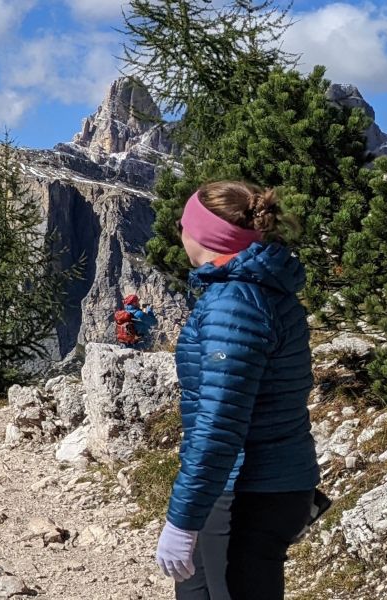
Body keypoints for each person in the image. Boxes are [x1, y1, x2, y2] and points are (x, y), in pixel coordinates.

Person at [154, 181, 319, 600]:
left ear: (205, 236)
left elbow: (219, 423)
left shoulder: (233, 301)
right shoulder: (262, 288)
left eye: (185, 223)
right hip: (269, 483)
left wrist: (182, 520)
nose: (179, 228)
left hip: (243, 492)